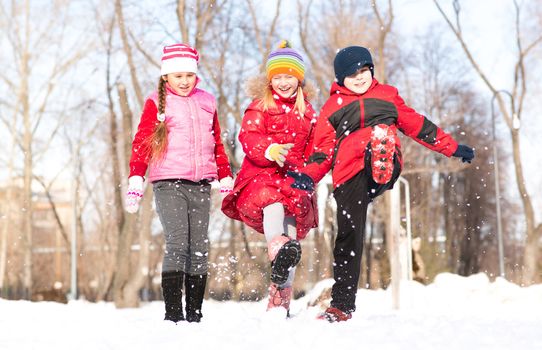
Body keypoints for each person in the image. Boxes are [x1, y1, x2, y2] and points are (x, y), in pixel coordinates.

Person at [288, 45, 475, 322]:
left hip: (382, 163)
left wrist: (451, 147)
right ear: (340, 78)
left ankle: (381, 153)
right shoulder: (331, 108)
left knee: (380, 139)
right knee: (349, 235)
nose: (360, 77)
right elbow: (323, 151)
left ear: (371, 70)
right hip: (348, 175)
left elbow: (416, 124)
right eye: (352, 74)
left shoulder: (387, 95)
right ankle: (341, 306)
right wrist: (309, 176)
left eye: (364, 70)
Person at [125, 43, 233, 323]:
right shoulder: (156, 103)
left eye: (189, 75)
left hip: (200, 184)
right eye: (178, 76)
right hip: (168, 183)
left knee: (199, 246)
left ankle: (194, 314)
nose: (185, 81)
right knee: (177, 243)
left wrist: (225, 176)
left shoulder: (207, 101)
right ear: (166, 78)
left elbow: (217, 143)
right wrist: (136, 177)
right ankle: (173, 315)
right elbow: (142, 143)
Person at [221, 41, 318, 316]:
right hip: (263, 174)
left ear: (298, 79)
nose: (283, 82)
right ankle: (275, 246)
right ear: (269, 79)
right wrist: (269, 149)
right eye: (278, 77)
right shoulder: (259, 107)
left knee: (292, 237)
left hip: (295, 178)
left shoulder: (308, 112)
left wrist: (312, 170)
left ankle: (280, 298)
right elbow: (248, 137)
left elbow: (315, 147)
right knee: (272, 203)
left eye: (289, 76)